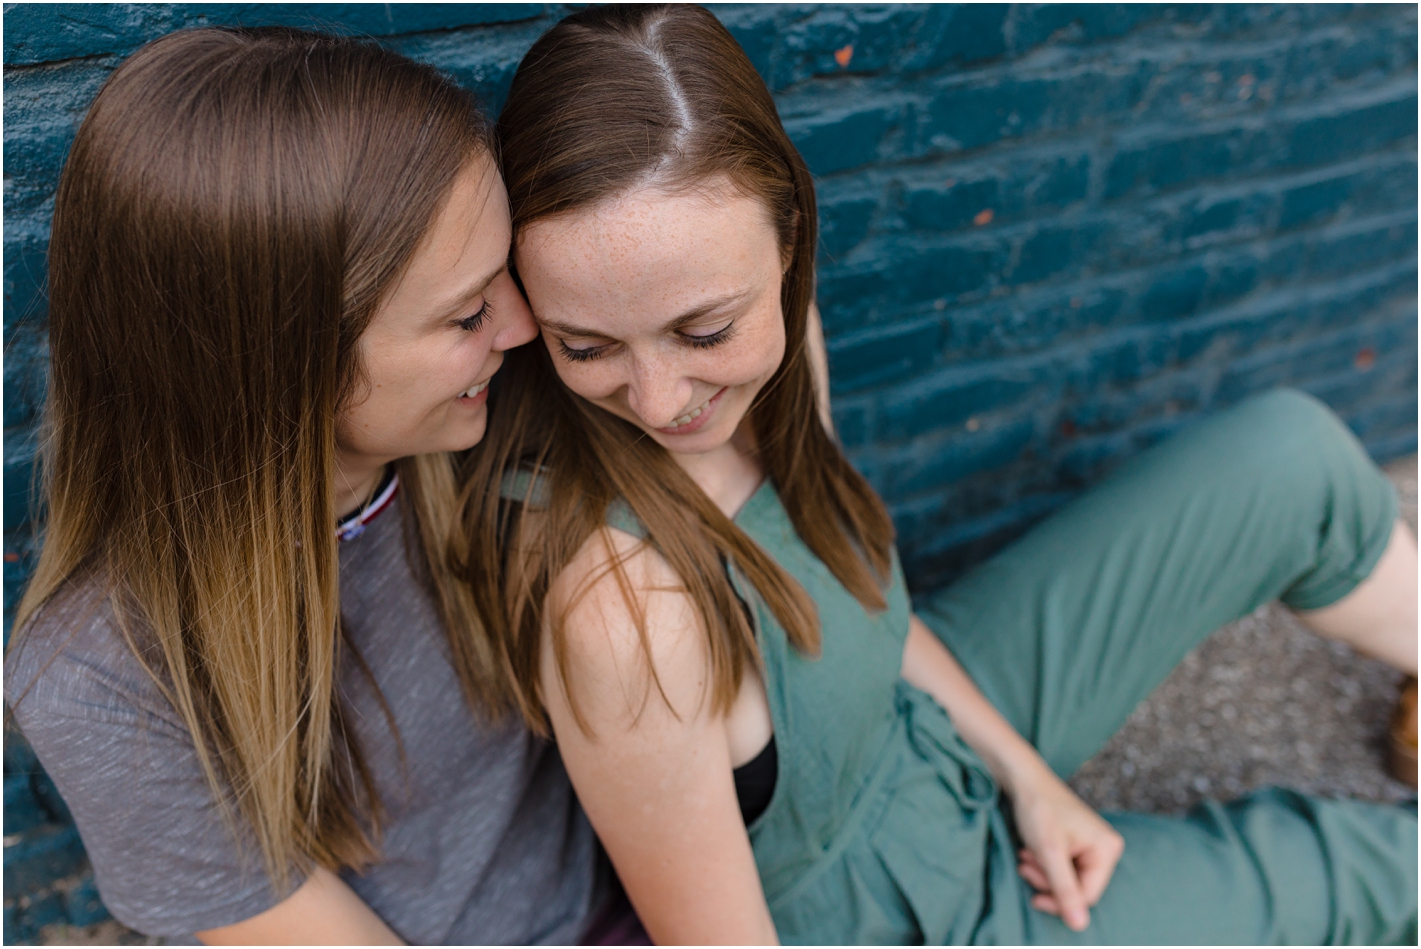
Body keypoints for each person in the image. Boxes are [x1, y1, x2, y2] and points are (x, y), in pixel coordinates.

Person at [468, 5, 1420, 944]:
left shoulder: (779, 349)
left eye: (704, 330)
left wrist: (1027, 777)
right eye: (583, 344)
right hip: (901, 912)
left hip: (913, 713)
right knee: (1376, 870)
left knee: (1288, 457)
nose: (657, 395)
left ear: (788, 243)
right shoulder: (621, 614)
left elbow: (853, 599)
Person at [4, 27, 608, 944]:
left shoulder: (480, 434)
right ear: (294, 370)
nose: (523, 330)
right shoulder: (102, 679)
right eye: (468, 311)